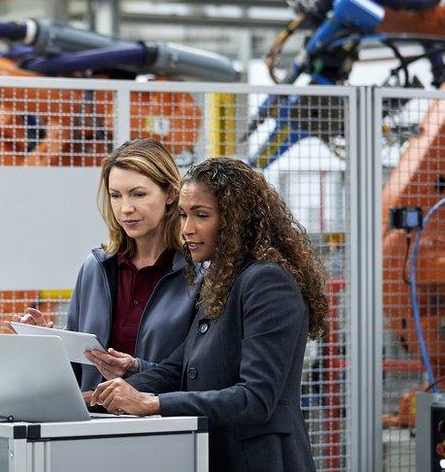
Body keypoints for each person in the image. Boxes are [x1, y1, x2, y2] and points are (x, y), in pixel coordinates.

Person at [91, 157, 328, 472]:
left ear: (236, 220)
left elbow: (255, 398)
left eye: (201, 215)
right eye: (184, 215)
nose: (187, 229)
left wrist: (152, 404)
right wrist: (99, 396)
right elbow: (178, 370)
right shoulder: (222, 280)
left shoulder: (268, 282)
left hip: (260, 460)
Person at [7, 138, 197, 393]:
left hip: (166, 425)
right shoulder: (95, 269)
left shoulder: (198, 274)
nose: (125, 208)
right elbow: (76, 372)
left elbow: (202, 374)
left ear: (171, 194)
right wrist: (49, 344)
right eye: (116, 196)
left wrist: (138, 369)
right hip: (95, 426)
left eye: (138, 194)